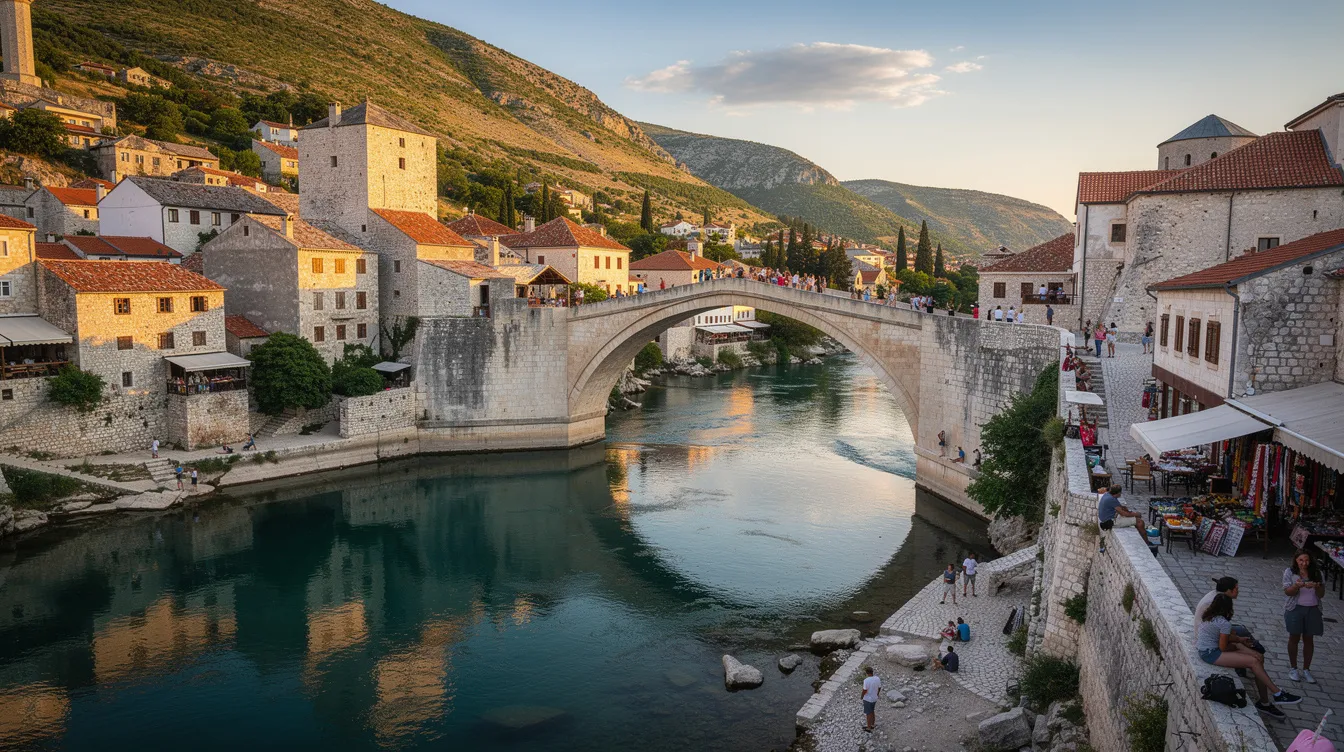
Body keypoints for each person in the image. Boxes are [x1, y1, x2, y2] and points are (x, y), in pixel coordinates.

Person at [1196, 593, 1300, 718]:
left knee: (1259, 658)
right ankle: (1277, 693)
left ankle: (1264, 703)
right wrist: (1236, 646)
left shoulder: (1209, 616)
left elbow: (1224, 637)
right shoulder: (1223, 623)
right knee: (1253, 662)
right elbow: (1223, 647)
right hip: (1210, 653)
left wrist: (1239, 640)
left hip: (1207, 649)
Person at [1283, 550, 1325, 683]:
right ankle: (1293, 668)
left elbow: (1321, 594)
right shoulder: (1290, 572)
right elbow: (1287, 592)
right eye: (1301, 560)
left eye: (1306, 560)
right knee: (1294, 637)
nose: (1304, 563)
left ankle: (1306, 669)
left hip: (1313, 609)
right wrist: (1296, 586)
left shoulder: (1317, 573)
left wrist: (1317, 586)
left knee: (1309, 639)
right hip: (1295, 609)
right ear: (1296, 560)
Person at [1097, 485, 1150, 553]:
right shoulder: (1112, 499)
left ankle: (1143, 539)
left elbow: (1118, 507)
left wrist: (1123, 507)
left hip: (1107, 518)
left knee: (1134, 519)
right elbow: (1124, 514)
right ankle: (1147, 543)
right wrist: (1137, 514)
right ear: (1118, 493)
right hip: (1110, 521)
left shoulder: (1107, 495)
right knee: (1140, 522)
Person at [861, 666, 881, 732]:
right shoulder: (877, 678)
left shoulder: (866, 680)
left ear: (867, 673)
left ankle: (869, 727)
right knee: (872, 711)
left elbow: (864, 690)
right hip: (874, 698)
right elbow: (879, 687)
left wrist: (862, 696)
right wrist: (877, 693)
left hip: (868, 699)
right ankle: (872, 724)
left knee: (868, 713)